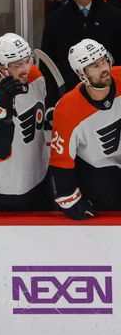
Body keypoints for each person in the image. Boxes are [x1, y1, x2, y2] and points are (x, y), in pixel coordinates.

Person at [0, 34, 52, 212]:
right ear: (1, 66)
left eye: (27, 61)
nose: (25, 69)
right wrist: (3, 112)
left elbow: (38, 113)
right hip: (9, 187)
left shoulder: (35, 75)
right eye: (17, 65)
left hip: (40, 176)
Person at [50, 39, 121, 218]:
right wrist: (69, 199)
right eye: (95, 65)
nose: (104, 68)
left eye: (104, 61)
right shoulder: (67, 110)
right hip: (98, 175)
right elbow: (60, 161)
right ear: (81, 73)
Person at [41, 0, 121, 94]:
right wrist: (51, 103)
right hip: (69, 98)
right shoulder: (55, 19)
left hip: (111, 97)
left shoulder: (115, 16)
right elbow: (47, 66)